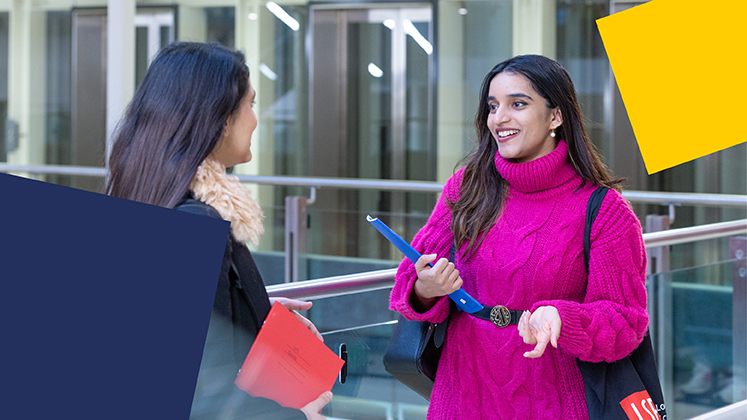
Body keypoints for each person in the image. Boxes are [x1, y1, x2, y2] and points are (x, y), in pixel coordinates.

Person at [389, 55, 649, 419]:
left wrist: (562, 318)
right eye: (493, 106)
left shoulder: (605, 211)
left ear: (556, 116)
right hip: (460, 400)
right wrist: (425, 288)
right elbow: (406, 284)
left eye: (518, 104)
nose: (500, 118)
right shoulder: (465, 188)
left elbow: (625, 323)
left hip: (555, 405)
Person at [106, 42, 331, 420]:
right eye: (251, 104)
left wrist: (254, 306)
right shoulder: (197, 219)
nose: (256, 120)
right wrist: (302, 417)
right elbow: (203, 394)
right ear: (222, 121)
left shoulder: (149, 196)